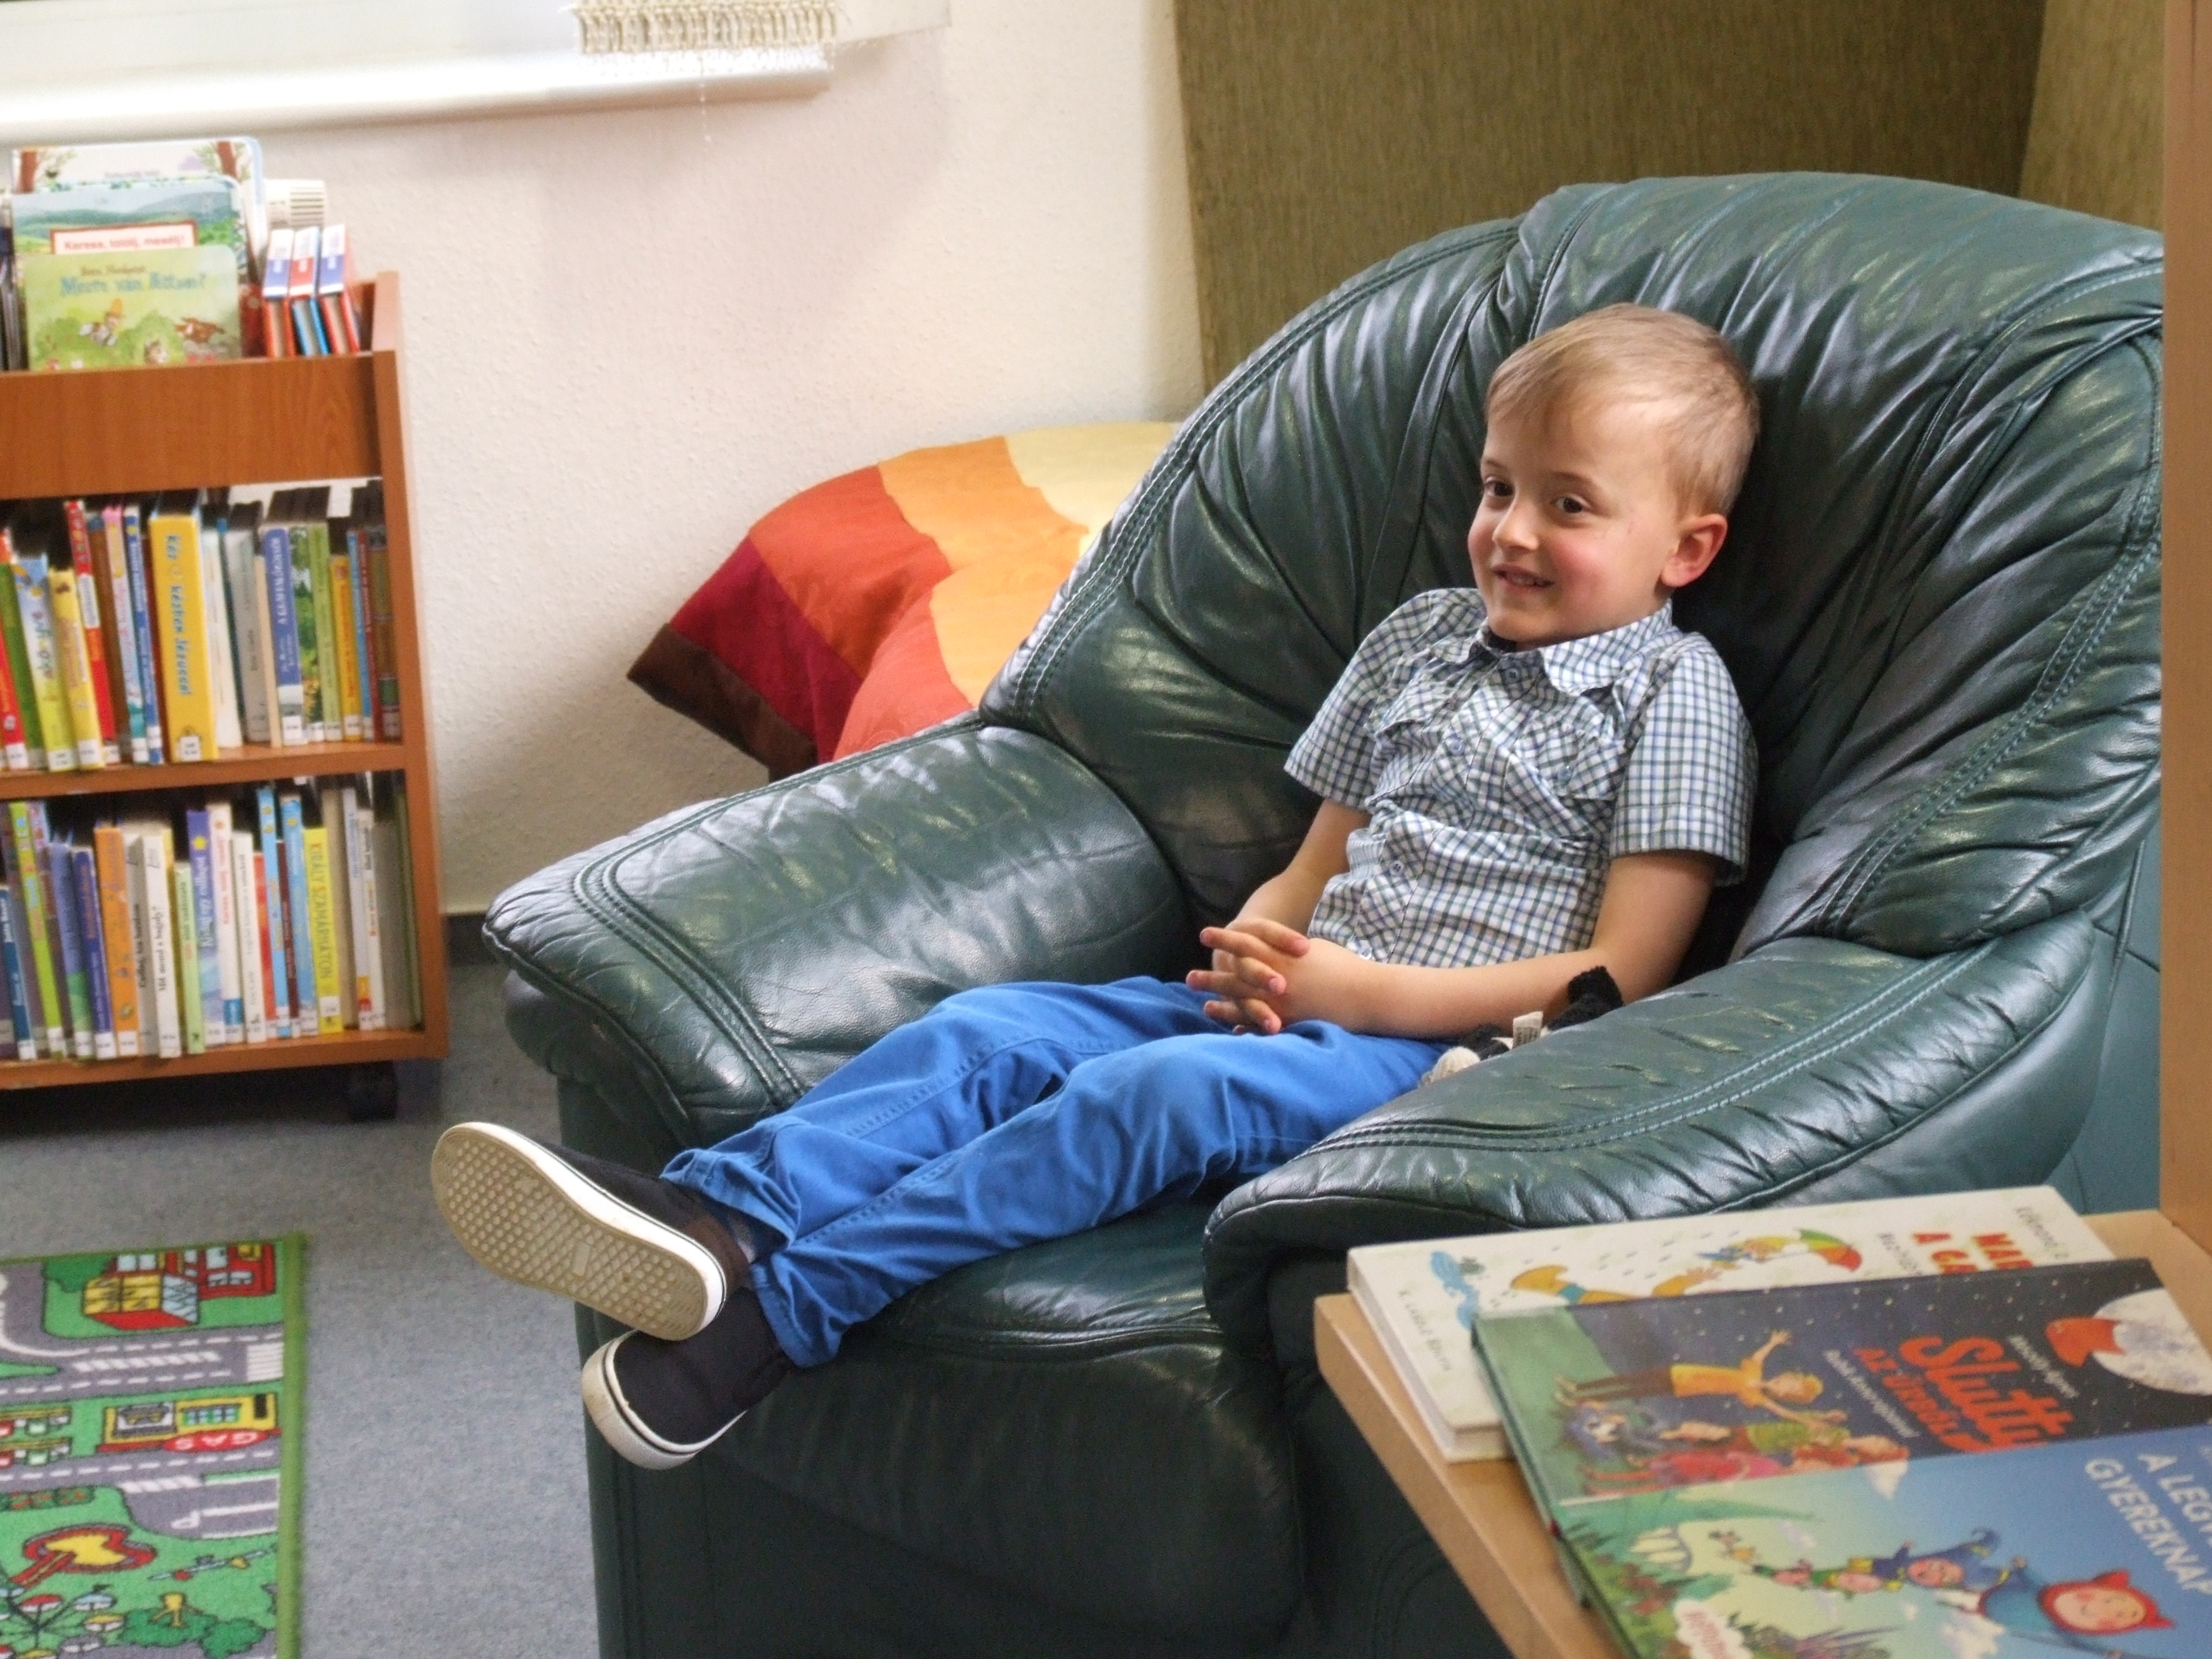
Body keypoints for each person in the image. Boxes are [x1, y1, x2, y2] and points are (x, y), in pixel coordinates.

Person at [431, 303, 1761, 1469]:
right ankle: (718, 1216)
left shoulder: (1676, 694)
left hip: (1441, 1065)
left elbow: (1623, 972)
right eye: (1496, 487)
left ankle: (784, 1314)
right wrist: (1264, 941)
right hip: (1290, 1004)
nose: (1510, 532)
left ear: (1686, 549)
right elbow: (1320, 856)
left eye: (1568, 505)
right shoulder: (1419, 639)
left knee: (1148, 1096)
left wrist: (1365, 996)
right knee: (991, 1030)